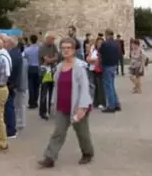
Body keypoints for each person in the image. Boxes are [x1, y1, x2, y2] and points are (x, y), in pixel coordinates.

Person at [38, 38, 94, 168]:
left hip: (77, 105)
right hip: (62, 105)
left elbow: (85, 88)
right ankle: (50, 157)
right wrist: (53, 103)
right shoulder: (59, 67)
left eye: (68, 48)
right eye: (63, 48)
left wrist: (82, 107)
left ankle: (87, 153)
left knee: (82, 133)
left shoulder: (80, 67)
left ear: (74, 50)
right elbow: (56, 87)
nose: (66, 50)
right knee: (58, 132)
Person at [98, 29, 121, 113]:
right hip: (114, 65)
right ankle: (116, 104)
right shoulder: (116, 43)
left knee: (108, 87)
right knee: (112, 85)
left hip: (107, 66)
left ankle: (111, 106)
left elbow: (99, 52)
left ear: (106, 34)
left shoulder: (105, 43)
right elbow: (119, 54)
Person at [38, 31, 59, 120]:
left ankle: (49, 109)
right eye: (52, 39)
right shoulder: (42, 47)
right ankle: (43, 111)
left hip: (52, 70)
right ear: (47, 38)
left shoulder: (54, 46)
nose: (53, 40)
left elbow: (57, 57)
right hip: (45, 72)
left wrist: (52, 59)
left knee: (51, 91)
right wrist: (52, 59)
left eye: (54, 39)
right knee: (44, 92)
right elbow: (47, 60)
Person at [87, 38, 106, 109]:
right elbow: (88, 59)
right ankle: (96, 102)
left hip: (101, 70)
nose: (99, 44)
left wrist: (93, 60)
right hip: (94, 69)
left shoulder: (103, 51)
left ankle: (102, 102)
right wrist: (93, 60)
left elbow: (99, 59)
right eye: (98, 43)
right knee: (96, 86)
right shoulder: (94, 50)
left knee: (101, 86)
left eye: (101, 43)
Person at [24, 34, 40, 109]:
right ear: (36, 40)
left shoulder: (27, 50)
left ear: (30, 40)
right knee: (37, 86)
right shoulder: (39, 49)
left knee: (31, 86)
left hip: (30, 67)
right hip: (38, 67)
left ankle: (31, 102)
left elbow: (23, 57)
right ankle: (36, 101)